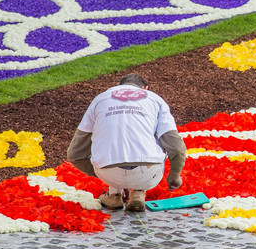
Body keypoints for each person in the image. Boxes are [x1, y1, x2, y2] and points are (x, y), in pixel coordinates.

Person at [67, 73, 186, 212]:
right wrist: (175, 175)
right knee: (156, 136)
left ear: (118, 86)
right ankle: (138, 193)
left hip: (108, 173)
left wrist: (101, 169)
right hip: (147, 173)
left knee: (111, 141)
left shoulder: (100, 99)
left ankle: (113, 194)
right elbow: (176, 148)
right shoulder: (155, 100)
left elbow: (75, 154)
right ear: (145, 88)